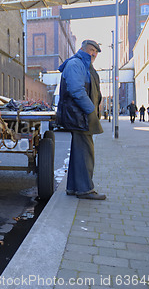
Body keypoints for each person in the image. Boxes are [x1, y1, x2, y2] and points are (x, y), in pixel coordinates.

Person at [57, 39, 106, 200]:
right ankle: (85, 189)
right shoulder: (76, 64)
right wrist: (91, 109)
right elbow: (76, 90)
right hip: (80, 116)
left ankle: (73, 188)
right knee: (86, 153)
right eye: (91, 49)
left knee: (80, 152)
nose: (93, 53)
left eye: (96, 52)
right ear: (82, 49)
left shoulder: (84, 65)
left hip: (81, 116)